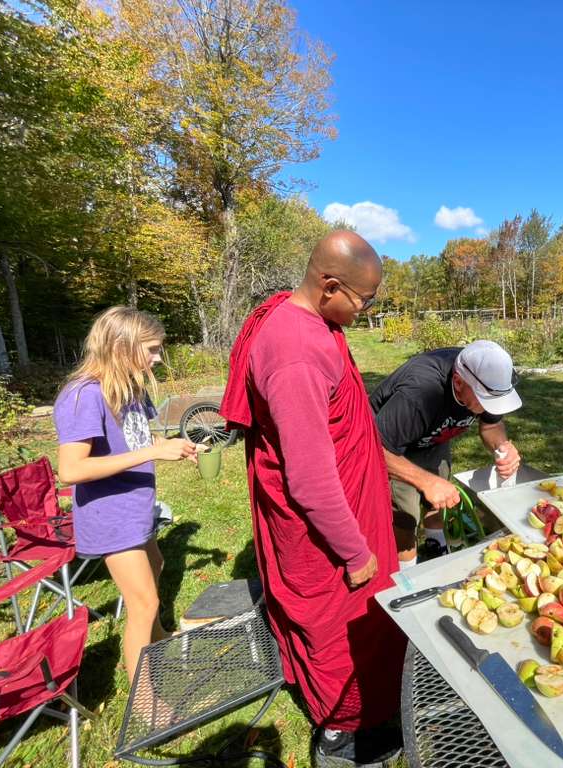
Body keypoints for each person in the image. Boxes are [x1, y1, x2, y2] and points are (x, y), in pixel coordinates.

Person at [220, 231, 405, 768]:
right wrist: (354, 551)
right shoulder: (296, 353)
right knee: (339, 631)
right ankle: (339, 734)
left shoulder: (310, 320)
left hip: (348, 507)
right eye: (363, 299)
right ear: (328, 286)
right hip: (324, 531)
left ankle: (362, 711)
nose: (366, 310)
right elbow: (308, 477)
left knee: (365, 624)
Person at [53, 306, 200, 686]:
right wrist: (152, 452)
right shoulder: (83, 396)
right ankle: (144, 698)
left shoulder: (129, 388)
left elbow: (136, 440)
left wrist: (170, 446)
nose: (158, 358)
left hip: (135, 506)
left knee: (157, 566)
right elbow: (71, 470)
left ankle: (159, 638)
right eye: (151, 349)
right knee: (144, 602)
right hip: (110, 515)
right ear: (121, 347)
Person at [370, 340, 523, 567]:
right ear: (458, 382)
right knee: (405, 517)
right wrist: (426, 481)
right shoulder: (419, 392)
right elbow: (375, 449)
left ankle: (436, 548)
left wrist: (502, 446)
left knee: (438, 500)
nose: (490, 408)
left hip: (433, 438)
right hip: (393, 448)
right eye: (485, 401)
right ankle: (406, 573)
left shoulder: (485, 375)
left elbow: (491, 425)